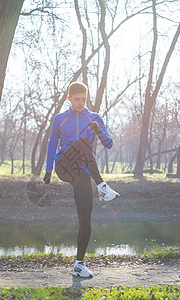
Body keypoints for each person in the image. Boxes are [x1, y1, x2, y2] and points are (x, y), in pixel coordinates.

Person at [43, 82, 119, 278]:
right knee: (84, 142)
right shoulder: (60, 119)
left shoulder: (94, 118)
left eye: (83, 99)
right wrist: (49, 169)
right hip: (64, 165)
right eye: (77, 99)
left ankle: (79, 264)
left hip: (82, 172)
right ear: (69, 99)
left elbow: (109, 144)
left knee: (85, 218)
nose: (80, 102)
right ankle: (102, 186)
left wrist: (99, 131)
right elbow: (52, 143)